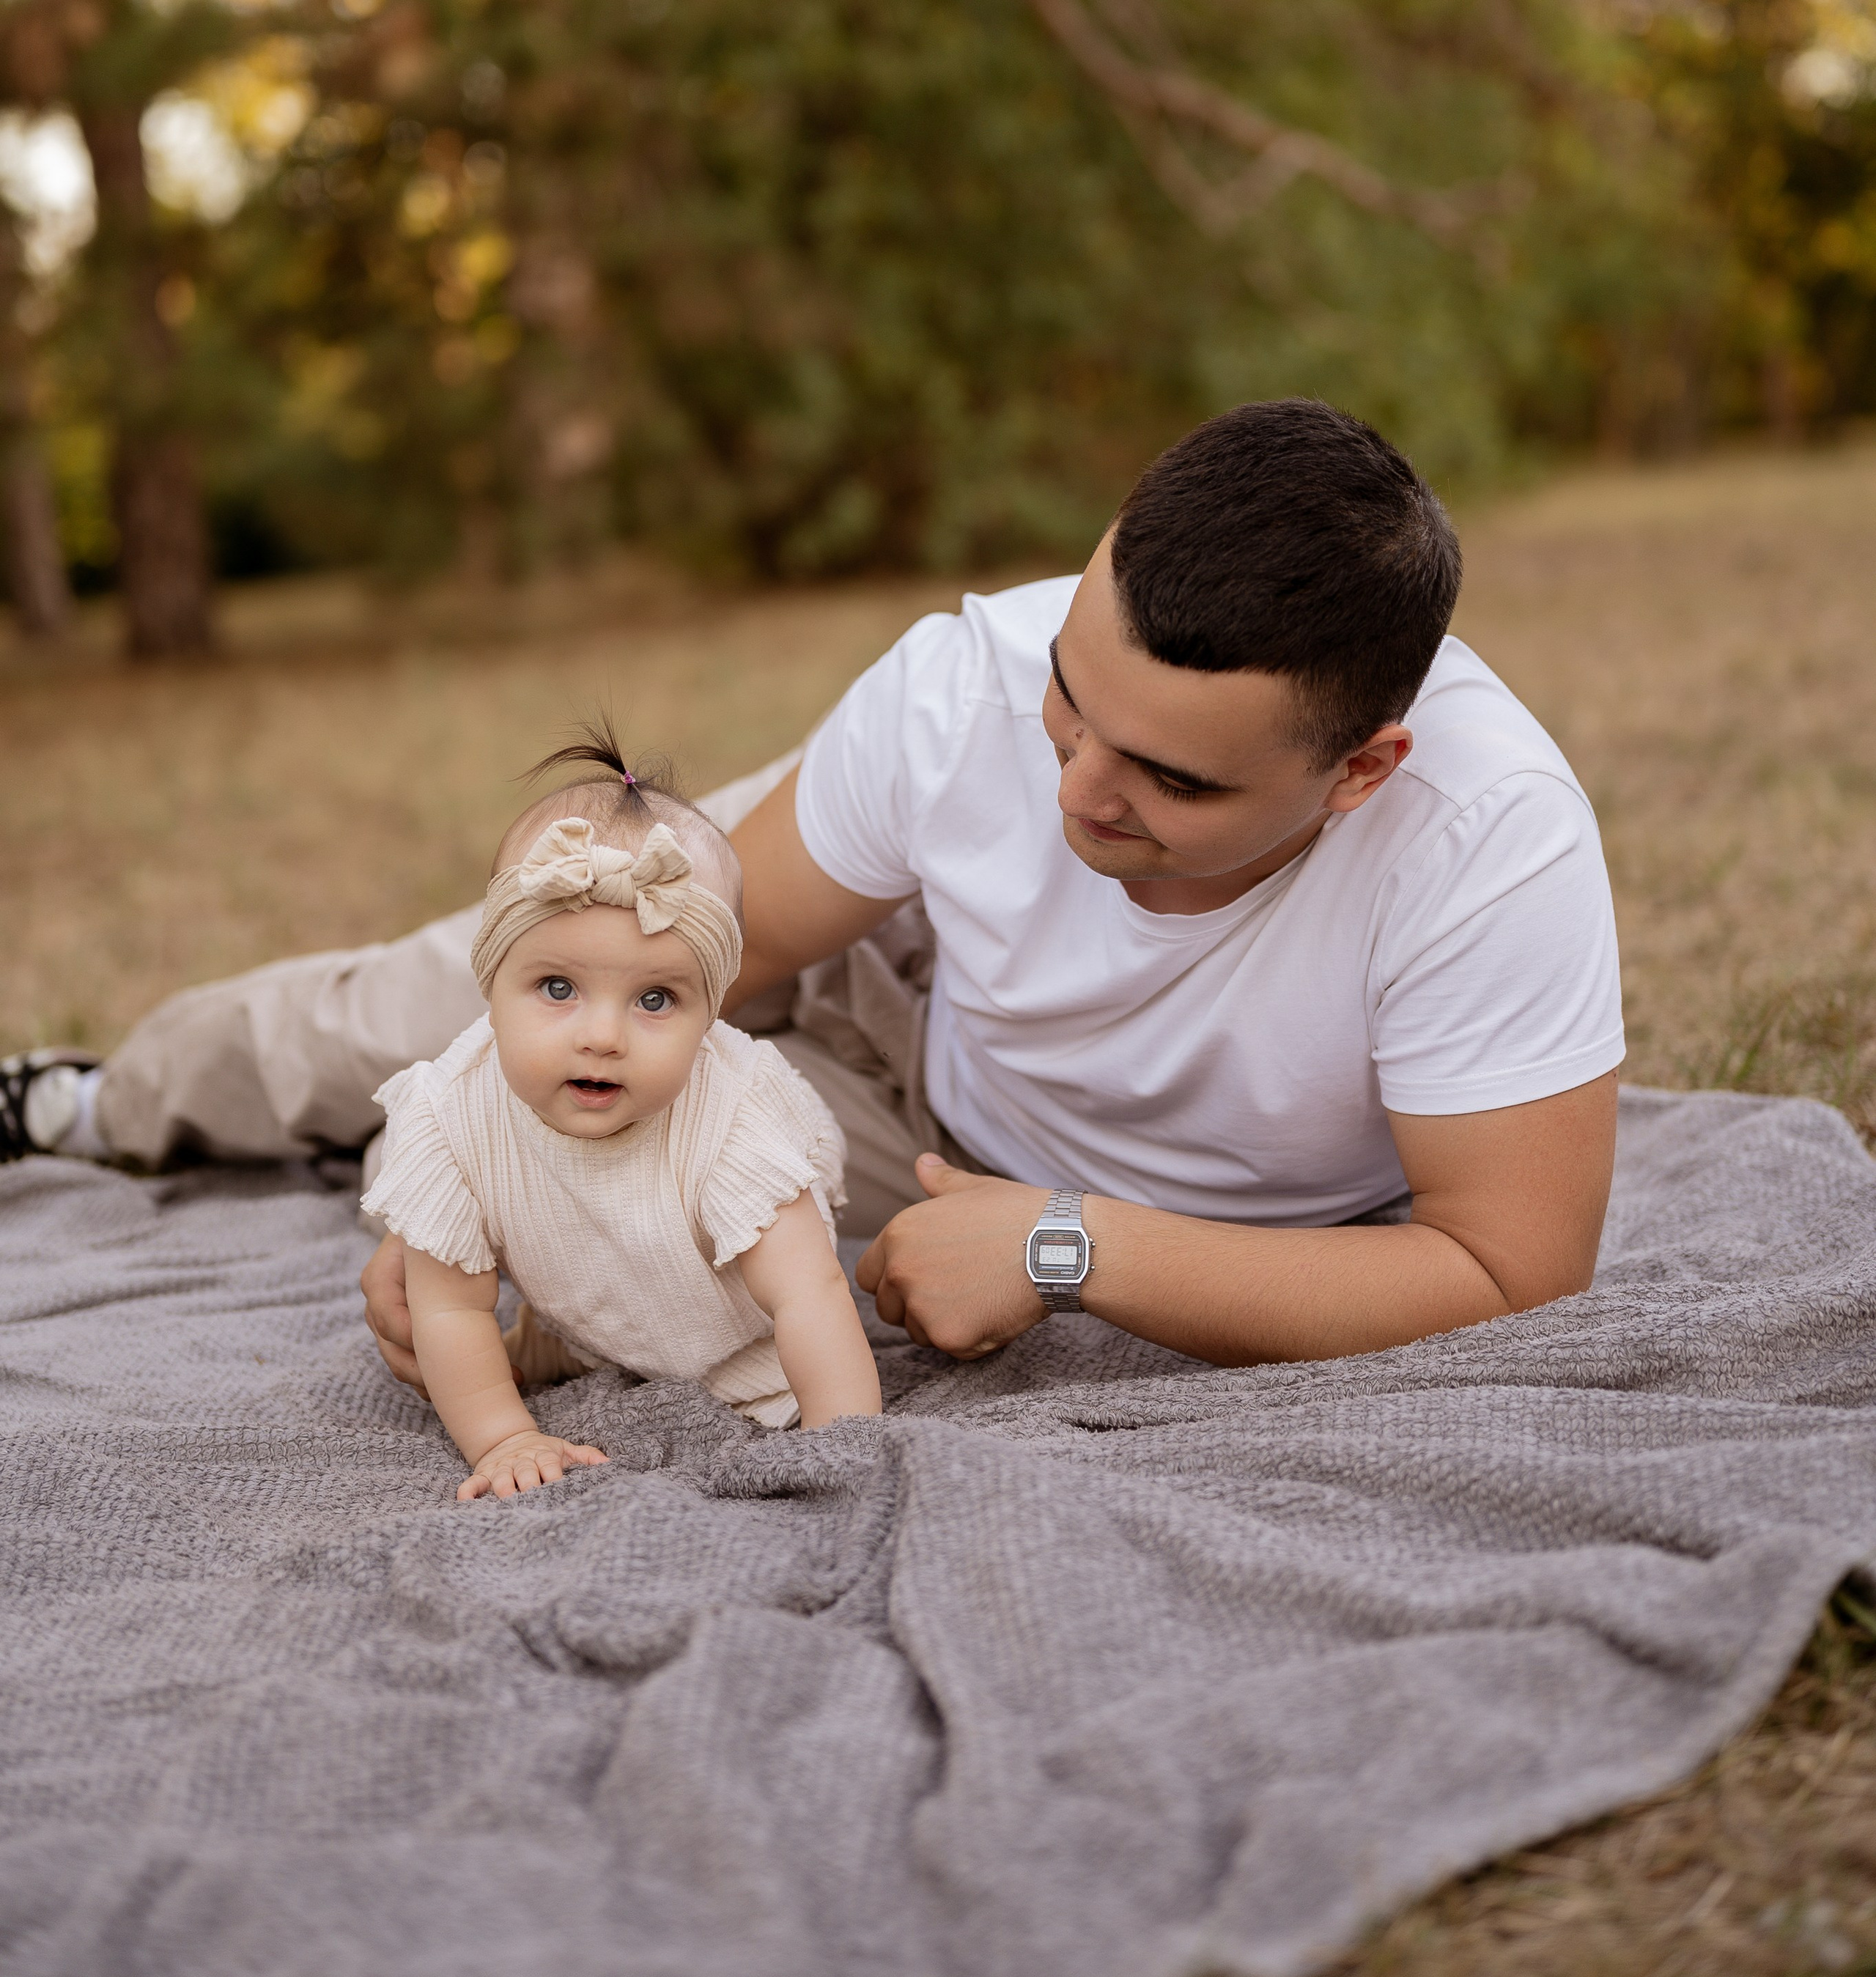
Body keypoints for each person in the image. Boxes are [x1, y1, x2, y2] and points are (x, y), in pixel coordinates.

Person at [3, 402, 1624, 1381]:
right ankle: (86, 1104)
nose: (1073, 789)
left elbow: (1508, 1268)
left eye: (1172, 780)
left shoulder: (1488, 845)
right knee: (442, 995)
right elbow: (721, 953)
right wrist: (486, 1156)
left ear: (1360, 769)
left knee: (629, 1276)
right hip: (894, 994)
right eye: (1074, 698)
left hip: (932, 1161)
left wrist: (1069, 1250)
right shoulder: (964, 683)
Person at [361, 742, 879, 1496]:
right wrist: (504, 1438)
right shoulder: (452, 1112)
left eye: (655, 999)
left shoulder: (729, 1119)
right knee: (499, 1344)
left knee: (798, 1341)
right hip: (586, 1319)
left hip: (744, 1349)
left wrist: (846, 1446)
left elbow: (809, 1296)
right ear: (491, 982)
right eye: (557, 985)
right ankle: (577, 1349)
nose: (601, 1036)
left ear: (711, 1012)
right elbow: (449, 1310)